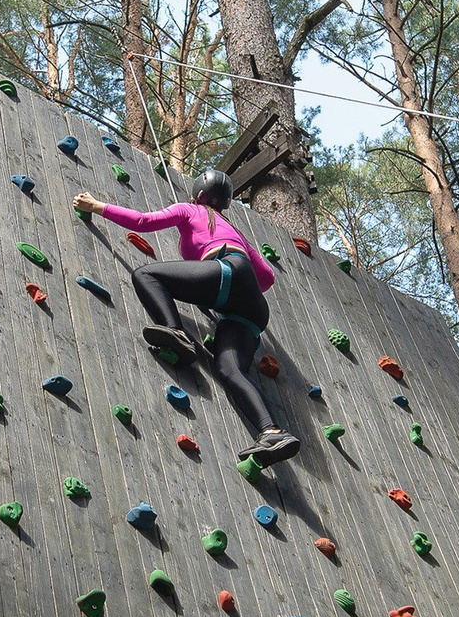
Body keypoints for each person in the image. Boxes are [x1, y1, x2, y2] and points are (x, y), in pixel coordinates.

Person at [75, 169, 303, 465]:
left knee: (146, 275)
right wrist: (224, 288)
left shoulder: (190, 209)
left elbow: (143, 222)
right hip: (252, 310)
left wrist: (96, 206)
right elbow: (267, 278)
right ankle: (271, 432)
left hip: (226, 273)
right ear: (225, 203)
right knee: (230, 370)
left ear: (199, 194)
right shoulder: (234, 230)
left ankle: (176, 332)